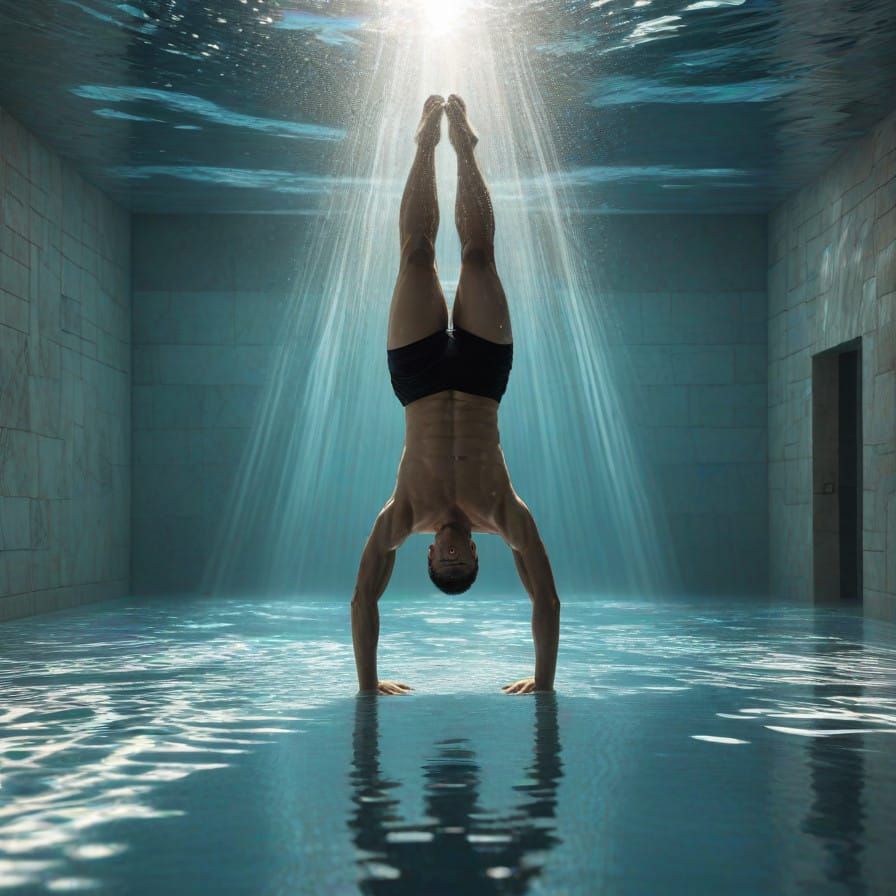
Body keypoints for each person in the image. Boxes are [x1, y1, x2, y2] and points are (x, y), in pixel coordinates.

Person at [350, 95, 560, 696]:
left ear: (427, 558)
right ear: (475, 555)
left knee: (415, 256)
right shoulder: (505, 515)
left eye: (443, 563)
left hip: (414, 384)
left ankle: (423, 144)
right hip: (482, 382)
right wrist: (543, 683)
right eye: (462, 563)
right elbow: (546, 598)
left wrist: (368, 686)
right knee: (477, 255)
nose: (452, 555)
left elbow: (364, 597)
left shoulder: (401, 520)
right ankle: (465, 148)